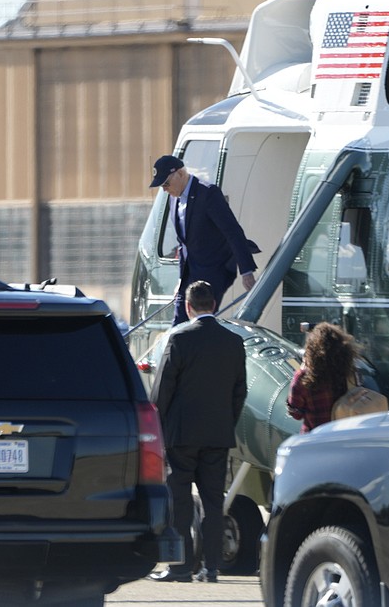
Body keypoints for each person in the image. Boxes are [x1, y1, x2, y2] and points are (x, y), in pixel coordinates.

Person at [148, 280, 247, 584]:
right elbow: (239, 392)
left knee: (180, 501)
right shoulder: (233, 341)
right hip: (217, 434)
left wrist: (157, 429)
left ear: (188, 307)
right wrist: (225, 422)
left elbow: (163, 390)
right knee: (213, 503)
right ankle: (212, 567)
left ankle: (180, 567)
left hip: (181, 435)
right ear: (214, 305)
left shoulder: (178, 339)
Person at [150, 154, 259, 325]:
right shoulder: (173, 199)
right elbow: (183, 243)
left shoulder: (208, 193)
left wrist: (247, 271)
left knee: (201, 325)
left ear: (179, 173)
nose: (164, 189)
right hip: (189, 275)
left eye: (166, 183)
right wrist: (181, 280)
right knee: (178, 326)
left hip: (213, 272)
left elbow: (233, 232)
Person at [286, 322, 358, 433]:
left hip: (317, 438)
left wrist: (303, 369)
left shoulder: (303, 377)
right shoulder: (348, 371)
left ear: (312, 351)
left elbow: (296, 414)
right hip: (344, 435)